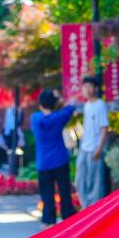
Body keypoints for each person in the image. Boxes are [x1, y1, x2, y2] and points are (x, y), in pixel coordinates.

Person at [30, 90, 76, 228]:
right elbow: (71, 107)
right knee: (64, 191)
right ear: (54, 103)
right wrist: (60, 102)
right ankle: (68, 218)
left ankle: (48, 220)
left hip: (43, 162)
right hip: (60, 159)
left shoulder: (35, 118)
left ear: (40, 103)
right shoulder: (59, 117)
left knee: (47, 194)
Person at [74, 76, 108, 208]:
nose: (87, 90)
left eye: (89, 87)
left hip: (95, 148)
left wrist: (99, 148)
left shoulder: (100, 105)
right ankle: (86, 207)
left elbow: (104, 128)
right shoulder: (87, 105)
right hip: (84, 147)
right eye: (85, 87)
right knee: (80, 180)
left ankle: (95, 209)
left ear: (96, 88)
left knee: (95, 182)